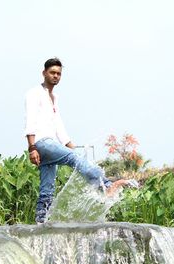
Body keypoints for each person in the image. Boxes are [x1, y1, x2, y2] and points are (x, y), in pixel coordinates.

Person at [24, 58, 136, 224]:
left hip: (50, 143)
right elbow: (30, 120)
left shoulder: (54, 97)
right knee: (74, 159)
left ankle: (41, 221)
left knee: (47, 187)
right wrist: (32, 147)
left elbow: (58, 124)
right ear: (44, 73)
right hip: (42, 143)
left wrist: (70, 144)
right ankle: (105, 186)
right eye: (52, 73)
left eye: (58, 74)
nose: (55, 76)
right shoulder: (34, 93)